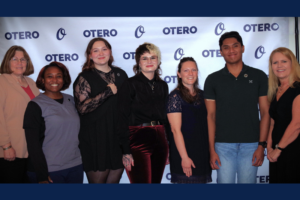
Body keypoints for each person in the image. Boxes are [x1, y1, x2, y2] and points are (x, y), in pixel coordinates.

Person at [204, 31, 270, 183]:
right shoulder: (212, 79)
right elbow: (210, 116)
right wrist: (211, 149)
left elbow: (265, 113)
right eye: (226, 48)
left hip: (252, 145)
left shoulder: (258, 76)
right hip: (222, 146)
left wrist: (261, 146)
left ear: (243, 48)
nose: (231, 50)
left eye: (235, 46)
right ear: (221, 52)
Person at [73, 38, 128, 183]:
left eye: (104, 49)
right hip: (95, 138)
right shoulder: (84, 77)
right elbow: (82, 108)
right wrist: (106, 92)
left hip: (117, 137)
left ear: (110, 51)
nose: (101, 53)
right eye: (95, 50)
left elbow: (127, 107)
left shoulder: (121, 74)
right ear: (90, 55)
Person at [23, 62, 83, 183]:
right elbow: (33, 144)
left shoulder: (71, 100)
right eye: (50, 76)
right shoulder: (35, 105)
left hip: (75, 166)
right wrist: (42, 174)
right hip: (50, 170)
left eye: (59, 76)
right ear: (43, 80)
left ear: (64, 79)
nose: (54, 80)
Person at [118, 42, 169, 183]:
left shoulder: (163, 86)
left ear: (158, 61)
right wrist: (125, 150)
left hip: (160, 138)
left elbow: (166, 118)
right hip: (138, 138)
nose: (149, 61)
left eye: (153, 57)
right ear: (138, 63)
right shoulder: (130, 84)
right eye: (144, 58)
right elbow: (121, 118)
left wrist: (169, 145)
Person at [166, 57, 212, 183]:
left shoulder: (203, 95)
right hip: (185, 154)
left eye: (193, 70)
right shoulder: (175, 96)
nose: (190, 74)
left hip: (202, 154)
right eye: (186, 70)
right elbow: (175, 130)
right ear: (179, 74)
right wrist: (185, 157)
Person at [0, 45, 40, 183]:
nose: (19, 63)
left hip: (31, 147)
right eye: (14, 59)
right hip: (11, 148)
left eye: (23, 59)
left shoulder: (31, 82)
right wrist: (6, 146)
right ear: (7, 62)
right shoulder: (2, 81)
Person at [267, 47, 300, 183]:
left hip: (293, 150)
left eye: (284, 61)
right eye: (275, 63)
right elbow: (273, 122)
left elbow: (297, 124)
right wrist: (269, 147)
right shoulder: (275, 91)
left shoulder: (298, 89)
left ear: (292, 63)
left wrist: (278, 149)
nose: (279, 66)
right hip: (276, 151)